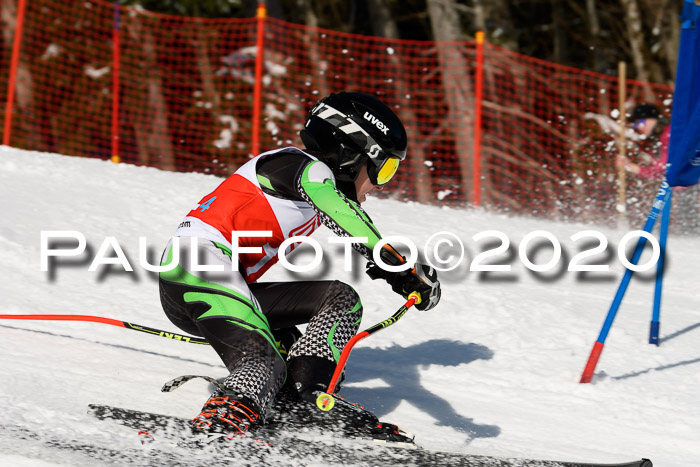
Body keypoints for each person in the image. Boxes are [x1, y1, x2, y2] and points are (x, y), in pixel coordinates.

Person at [158, 92, 441, 437]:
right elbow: (343, 215)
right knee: (263, 362)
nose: (381, 184)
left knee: (339, 300)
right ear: (353, 153)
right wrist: (399, 267)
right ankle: (220, 424)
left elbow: (340, 212)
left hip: (220, 284)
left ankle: (305, 397)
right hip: (195, 270)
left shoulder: (310, 181)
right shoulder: (303, 166)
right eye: (385, 168)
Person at [616, 103, 700, 234]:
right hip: (686, 188)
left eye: (641, 122)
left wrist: (631, 166)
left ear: (652, 119)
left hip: (691, 187)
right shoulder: (662, 136)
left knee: (689, 231)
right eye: (637, 124)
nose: (640, 127)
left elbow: (663, 171)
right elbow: (661, 172)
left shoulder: (669, 135)